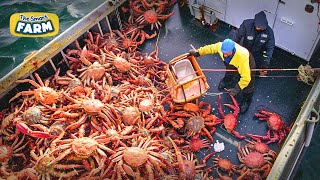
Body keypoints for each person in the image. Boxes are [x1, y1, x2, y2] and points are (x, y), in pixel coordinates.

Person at [188, 39, 255, 114]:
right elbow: (210, 48)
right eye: (223, 52)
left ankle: (247, 100)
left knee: (249, 84)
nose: (224, 55)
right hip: (231, 62)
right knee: (229, 71)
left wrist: (236, 89)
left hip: (247, 61)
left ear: (232, 50)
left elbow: (246, 78)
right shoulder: (220, 46)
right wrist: (198, 52)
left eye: (226, 53)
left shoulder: (242, 57)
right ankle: (226, 81)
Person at [228, 11, 275, 76]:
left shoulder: (269, 32)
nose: (261, 28)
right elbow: (237, 35)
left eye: (263, 27)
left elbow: (270, 48)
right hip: (245, 50)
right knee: (235, 65)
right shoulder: (247, 24)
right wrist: (230, 47)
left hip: (257, 54)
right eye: (259, 26)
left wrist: (265, 64)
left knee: (252, 71)